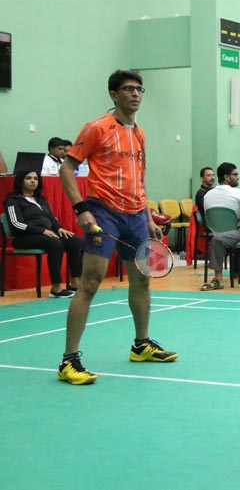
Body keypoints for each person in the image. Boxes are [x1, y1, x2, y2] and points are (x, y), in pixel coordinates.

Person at [57, 69, 177, 385]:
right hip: (104, 212)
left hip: (136, 216)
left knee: (143, 280)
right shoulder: (97, 128)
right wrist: (81, 208)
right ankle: (69, 360)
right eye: (128, 89)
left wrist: (148, 217)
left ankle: (141, 345)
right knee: (90, 282)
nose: (135, 94)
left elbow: (140, 176)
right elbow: (66, 168)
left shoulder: (139, 132)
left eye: (139, 89)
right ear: (114, 94)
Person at [3, 170, 83, 298]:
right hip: (22, 237)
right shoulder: (13, 201)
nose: (33, 181)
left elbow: (51, 218)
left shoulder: (41, 200)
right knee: (55, 243)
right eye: (28, 178)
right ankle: (56, 288)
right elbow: (16, 224)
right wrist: (42, 231)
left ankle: (75, 283)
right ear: (20, 181)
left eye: (35, 178)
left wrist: (59, 228)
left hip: (45, 234)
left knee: (77, 241)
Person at [203, 162, 240, 278]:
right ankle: (238, 271)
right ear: (226, 177)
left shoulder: (207, 195)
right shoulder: (238, 193)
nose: (238, 177)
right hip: (234, 233)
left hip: (215, 232)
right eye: (235, 174)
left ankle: (220, 275)